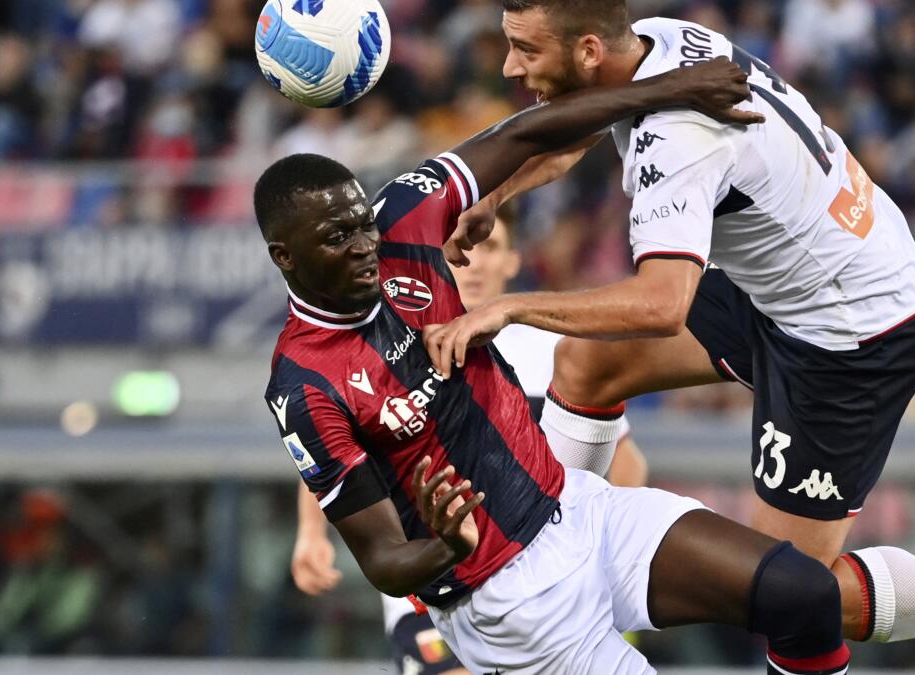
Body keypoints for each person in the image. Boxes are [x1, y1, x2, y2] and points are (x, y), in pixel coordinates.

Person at [420, 1, 915, 671]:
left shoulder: (678, 140)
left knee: (790, 592)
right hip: (789, 283)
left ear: (586, 49)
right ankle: (551, 577)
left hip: (851, 334)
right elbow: (586, 118)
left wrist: (508, 309)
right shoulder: (659, 40)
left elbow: (659, 305)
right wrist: (501, 196)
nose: (510, 66)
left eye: (523, 48)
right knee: (585, 367)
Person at [259, 60, 868, 675]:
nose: (365, 246)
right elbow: (383, 559)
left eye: (363, 224)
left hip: (580, 509)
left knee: (803, 595)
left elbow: (524, 135)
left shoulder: (403, 221)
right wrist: (443, 546)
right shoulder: (303, 385)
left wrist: (664, 91)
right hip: (509, 602)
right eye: (338, 238)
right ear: (285, 256)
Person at [288, 204, 647, 674]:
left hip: (543, 576)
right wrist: (311, 533)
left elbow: (626, 460)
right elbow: (335, 452)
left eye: (490, 248)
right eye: (462, 250)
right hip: (437, 587)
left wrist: (597, 545)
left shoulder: (549, 346)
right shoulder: (393, 340)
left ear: (513, 261)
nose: (473, 264)